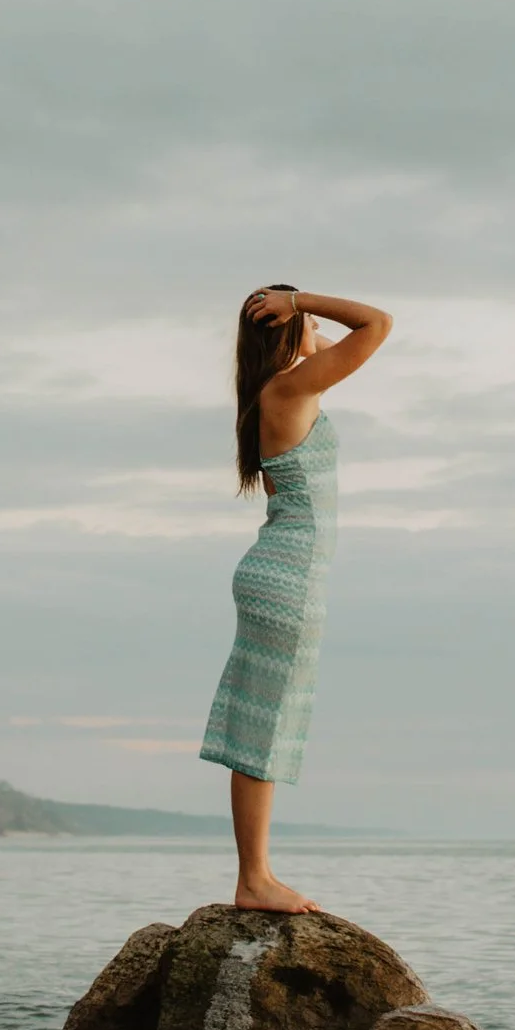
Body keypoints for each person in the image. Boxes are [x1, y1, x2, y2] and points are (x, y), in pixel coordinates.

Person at [198, 283, 393, 911]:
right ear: (285, 331)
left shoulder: (288, 384)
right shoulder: (289, 390)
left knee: (267, 723)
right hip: (287, 576)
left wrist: (295, 317)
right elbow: (377, 324)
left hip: (284, 573)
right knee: (263, 725)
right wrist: (299, 298)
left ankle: (257, 873)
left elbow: (349, 342)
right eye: (301, 322)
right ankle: (253, 879)